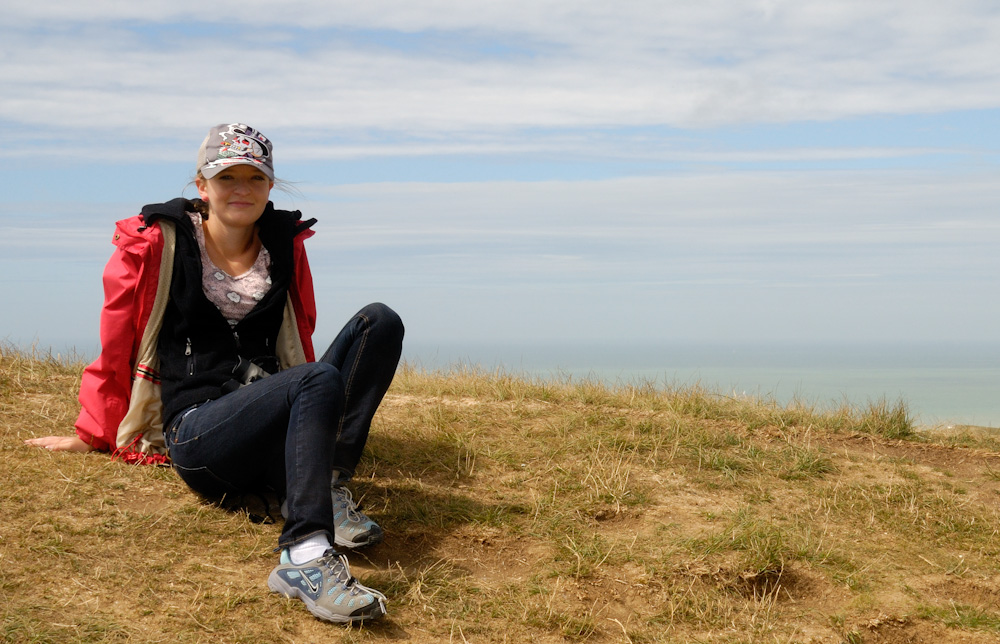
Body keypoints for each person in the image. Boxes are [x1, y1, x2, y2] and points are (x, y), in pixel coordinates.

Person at [25, 123, 404, 624]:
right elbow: (117, 339)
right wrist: (93, 432)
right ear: (202, 186)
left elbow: (300, 333)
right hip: (200, 431)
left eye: (255, 178)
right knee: (315, 378)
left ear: (271, 188)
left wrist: (312, 421)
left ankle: (325, 484)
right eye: (226, 177)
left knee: (379, 321)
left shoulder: (284, 245)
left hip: (266, 411)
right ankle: (304, 556)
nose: (241, 189)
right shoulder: (159, 243)